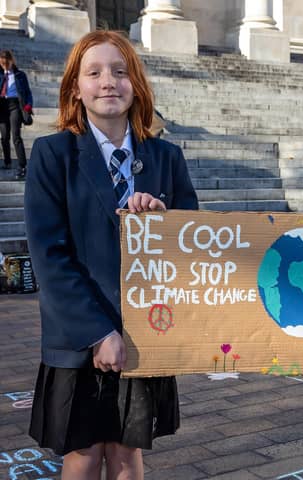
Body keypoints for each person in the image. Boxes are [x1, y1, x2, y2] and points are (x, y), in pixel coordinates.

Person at [24, 31, 198, 479]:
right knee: (83, 455)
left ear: (136, 84)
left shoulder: (166, 157)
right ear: (74, 87)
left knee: (127, 453)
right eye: (94, 72)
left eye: (120, 72)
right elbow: (50, 255)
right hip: (79, 335)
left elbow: (194, 244)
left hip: (144, 331)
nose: (108, 82)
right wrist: (99, 333)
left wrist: (163, 221)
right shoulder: (52, 154)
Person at [0, 50, 33, 179]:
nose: (5, 66)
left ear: (11, 61)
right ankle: (7, 162)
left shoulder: (20, 75)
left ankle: (22, 166)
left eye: (6, 63)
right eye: (2, 64)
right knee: (4, 137)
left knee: (16, 136)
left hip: (15, 106)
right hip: (2, 106)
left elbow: (28, 93)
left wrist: (28, 105)